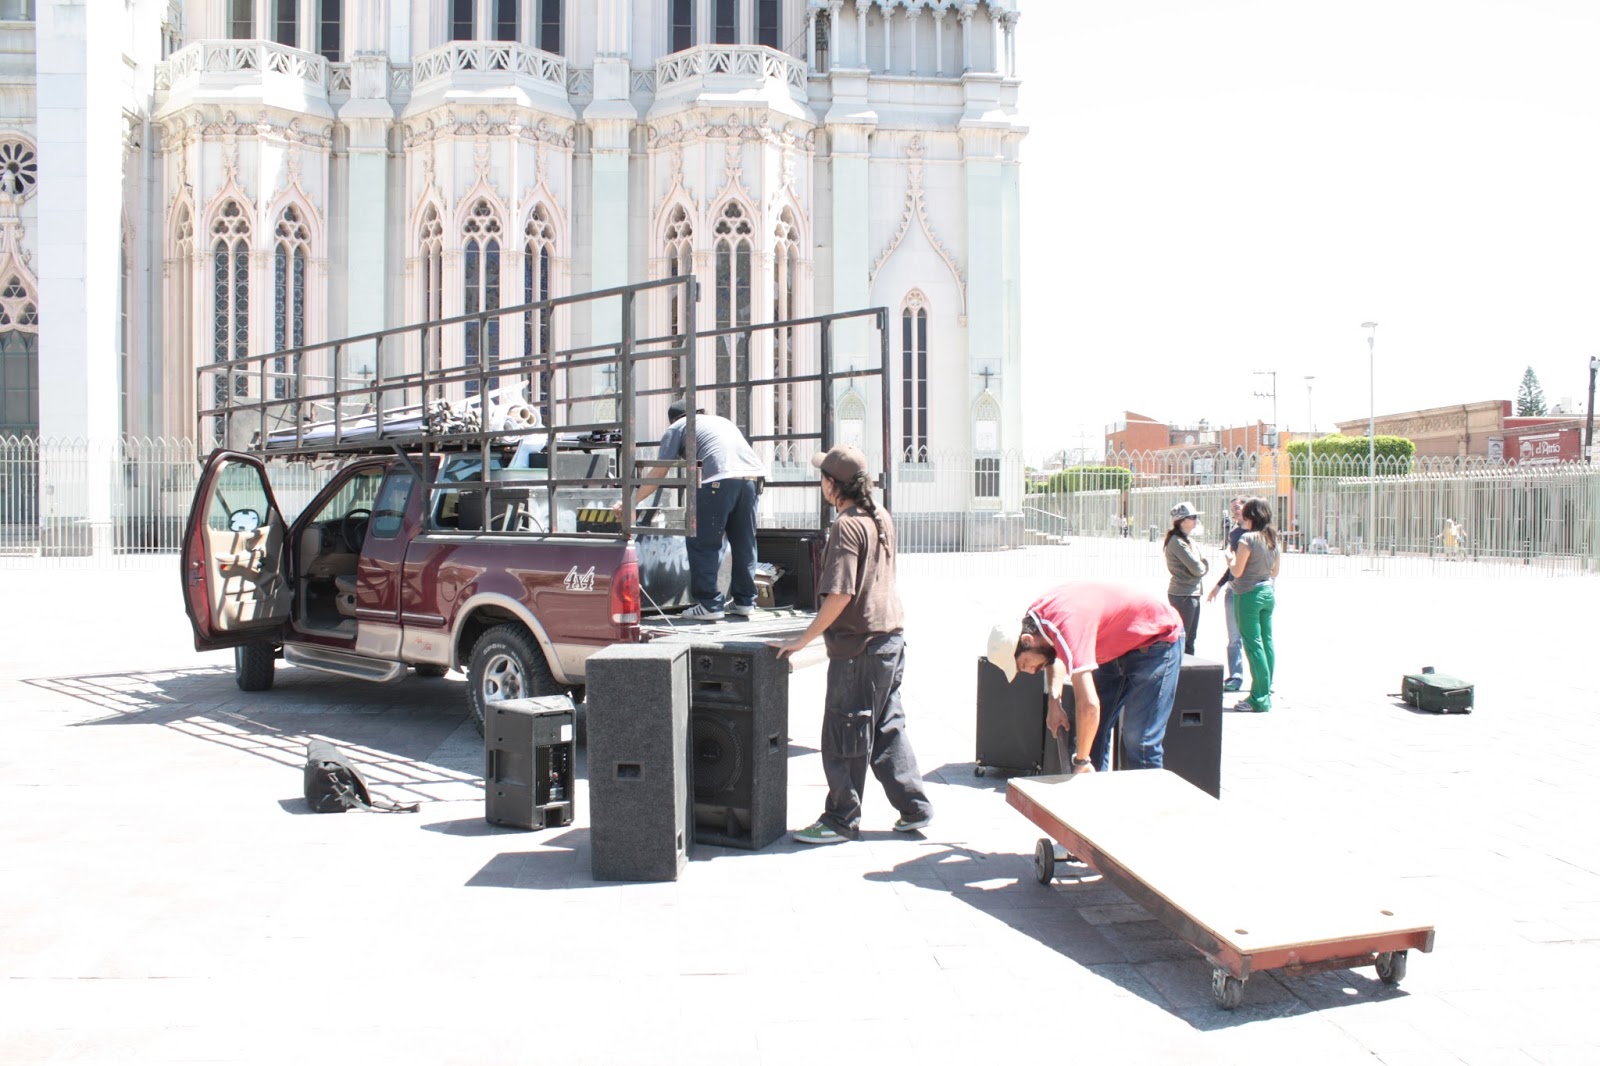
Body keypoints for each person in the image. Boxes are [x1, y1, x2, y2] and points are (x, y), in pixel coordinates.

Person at [769, 444, 933, 844]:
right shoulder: (879, 515)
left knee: (845, 730)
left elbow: (840, 594)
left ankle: (841, 819)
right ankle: (915, 807)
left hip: (860, 648)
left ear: (832, 484)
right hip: (890, 640)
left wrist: (802, 639)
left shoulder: (846, 526)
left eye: (822, 477)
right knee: (887, 727)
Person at [985, 582, 1184, 775]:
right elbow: (1054, 651)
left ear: (1027, 640)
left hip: (1156, 640)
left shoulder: (1067, 625)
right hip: (1114, 643)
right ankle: (1093, 791)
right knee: (1090, 735)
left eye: (1024, 664)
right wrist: (1054, 701)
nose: (1030, 671)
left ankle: (1148, 798)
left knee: (1139, 740)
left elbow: (1088, 705)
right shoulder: (1037, 622)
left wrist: (1081, 761)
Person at [625, 397, 765, 621]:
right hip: (751, 480)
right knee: (744, 543)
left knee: (702, 541)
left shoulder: (678, 427)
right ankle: (745, 601)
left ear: (673, 419)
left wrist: (631, 502)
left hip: (718, 481)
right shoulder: (721, 421)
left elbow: (659, 472)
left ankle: (709, 604)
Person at [1227, 496, 1281, 712]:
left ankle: (1258, 698)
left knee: (1253, 645)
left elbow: (1237, 571)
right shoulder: (1272, 538)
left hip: (1248, 594)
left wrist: (1230, 560)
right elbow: (1275, 571)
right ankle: (1265, 690)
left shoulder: (1247, 539)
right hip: (1267, 592)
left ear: (1250, 516)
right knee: (1266, 642)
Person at [1205, 496, 1248, 692]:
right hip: (1233, 587)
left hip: (1252, 589)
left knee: (1256, 638)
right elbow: (1232, 566)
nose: (1235, 511)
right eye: (1233, 509)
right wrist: (1219, 585)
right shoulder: (1234, 534)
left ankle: (1264, 679)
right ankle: (1235, 676)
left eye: (1238, 507)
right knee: (1234, 637)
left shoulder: (1260, 533)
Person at [1163, 501, 1208, 655]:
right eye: (1192, 517)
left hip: (1191, 593)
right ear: (1182, 521)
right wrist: (1202, 567)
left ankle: (1188, 666)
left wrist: (1202, 567)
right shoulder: (1177, 542)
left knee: (1190, 639)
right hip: (1183, 594)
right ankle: (1180, 668)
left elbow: (1202, 565)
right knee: (1182, 638)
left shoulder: (1188, 541)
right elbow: (1198, 568)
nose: (1196, 520)